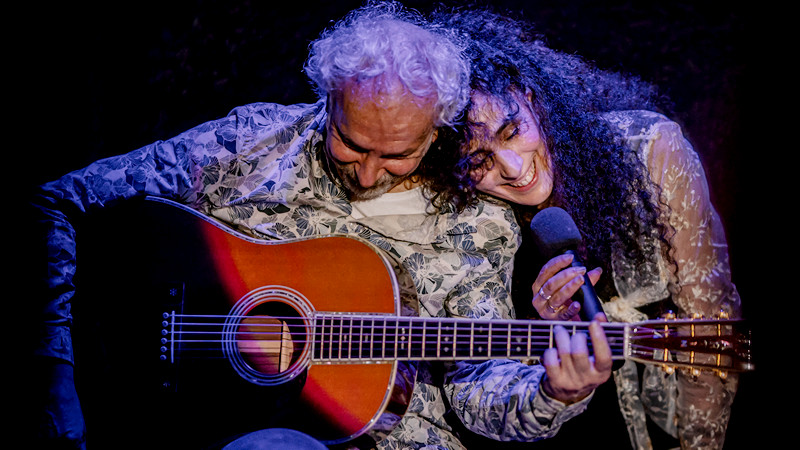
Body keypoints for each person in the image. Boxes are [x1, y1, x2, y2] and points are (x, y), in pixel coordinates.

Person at [24, 2, 614, 449]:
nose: (367, 172)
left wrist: (553, 393)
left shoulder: (478, 222)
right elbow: (56, 201)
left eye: (397, 154)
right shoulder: (252, 143)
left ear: (438, 130)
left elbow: (478, 384)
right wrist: (54, 365)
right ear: (328, 101)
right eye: (350, 143)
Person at [432, 7, 742, 450]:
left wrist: (700, 445)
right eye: (478, 160)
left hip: (683, 404)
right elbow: (497, 381)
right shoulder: (474, 215)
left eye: (513, 131)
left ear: (532, 100)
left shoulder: (651, 151)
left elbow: (714, 326)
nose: (513, 169)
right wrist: (546, 326)